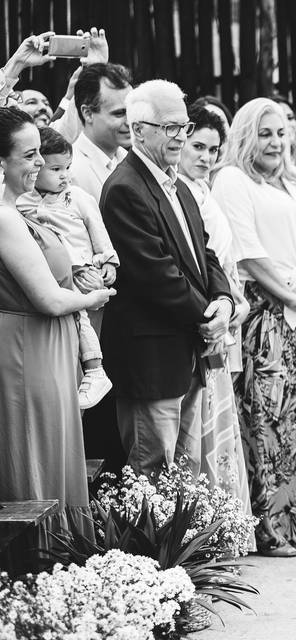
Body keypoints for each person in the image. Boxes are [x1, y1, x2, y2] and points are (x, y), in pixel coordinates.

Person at [212, 98, 296, 557]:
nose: (275, 142)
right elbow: (245, 253)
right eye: (265, 133)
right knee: (268, 420)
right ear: (246, 136)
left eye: (281, 133)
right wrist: (290, 294)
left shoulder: (295, 180)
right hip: (266, 315)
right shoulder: (233, 181)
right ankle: (271, 528)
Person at [100, 80, 234, 477]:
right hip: (151, 360)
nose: (181, 136)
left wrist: (223, 301)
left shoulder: (179, 186)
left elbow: (204, 254)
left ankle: (182, 544)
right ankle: (149, 545)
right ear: (139, 130)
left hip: (186, 352)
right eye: (170, 127)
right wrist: (208, 316)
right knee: (153, 470)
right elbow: (156, 274)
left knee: (186, 473)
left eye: (185, 126)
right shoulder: (125, 188)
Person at [0, 107, 115, 556]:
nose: (38, 164)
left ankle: (61, 567)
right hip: (29, 351)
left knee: (51, 449)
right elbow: (48, 299)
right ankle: (43, 567)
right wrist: (94, 299)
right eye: (29, 156)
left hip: (46, 350)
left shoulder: (15, 211)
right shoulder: (6, 218)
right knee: (36, 454)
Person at [178, 104, 253, 525]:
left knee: (222, 411)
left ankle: (224, 521)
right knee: (202, 420)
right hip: (208, 318)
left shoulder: (205, 192)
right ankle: (206, 524)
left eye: (213, 148)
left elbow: (224, 261)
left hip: (228, 308)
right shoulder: (183, 192)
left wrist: (235, 300)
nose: (206, 156)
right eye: (197, 146)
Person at [19, 126, 117, 409]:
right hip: (45, 278)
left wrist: (108, 262)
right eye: (55, 169)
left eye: (67, 168)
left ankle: (95, 370)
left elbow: (99, 233)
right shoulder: (22, 200)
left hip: (81, 272)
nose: (64, 175)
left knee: (80, 318)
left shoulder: (79, 198)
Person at [66, 62, 133, 202]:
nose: (130, 122)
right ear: (88, 113)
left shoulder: (130, 159)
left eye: (133, 112)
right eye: (119, 113)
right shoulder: (70, 172)